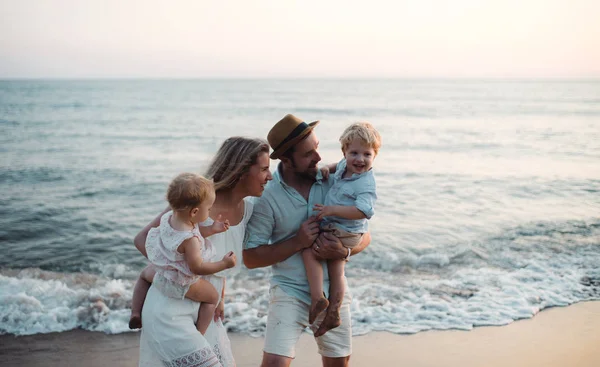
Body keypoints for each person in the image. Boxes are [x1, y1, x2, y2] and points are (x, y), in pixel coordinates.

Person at [243, 114, 372, 367]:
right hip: (288, 291)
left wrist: (343, 251)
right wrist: (297, 242)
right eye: (307, 154)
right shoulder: (267, 195)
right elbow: (250, 258)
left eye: (317, 147)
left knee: (338, 363)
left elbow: (365, 235)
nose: (318, 158)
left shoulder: (336, 181)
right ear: (286, 159)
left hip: (333, 292)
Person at [135, 137, 272, 367]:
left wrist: (221, 294)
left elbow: (218, 257)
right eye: (265, 169)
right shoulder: (195, 204)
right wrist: (181, 279)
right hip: (170, 313)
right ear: (241, 171)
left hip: (206, 316)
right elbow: (142, 240)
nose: (270, 176)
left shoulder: (247, 211)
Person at [129, 172, 237, 335]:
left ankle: (135, 313)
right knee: (212, 298)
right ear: (194, 212)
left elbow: (189, 234)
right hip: (179, 283)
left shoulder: (169, 218)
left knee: (144, 275)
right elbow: (197, 267)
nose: (209, 211)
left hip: (161, 274)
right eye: (208, 209)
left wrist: (213, 229)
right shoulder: (190, 240)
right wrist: (224, 264)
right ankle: (200, 333)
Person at [306, 122, 380, 336]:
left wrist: (332, 210)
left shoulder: (365, 183)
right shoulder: (344, 166)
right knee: (314, 253)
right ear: (344, 153)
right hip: (337, 227)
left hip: (347, 231)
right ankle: (320, 299)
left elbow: (363, 211)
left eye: (367, 154)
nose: (360, 159)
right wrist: (324, 171)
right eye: (354, 153)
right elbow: (335, 167)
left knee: (331, 266)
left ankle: (331, 309)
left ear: (375, 156)